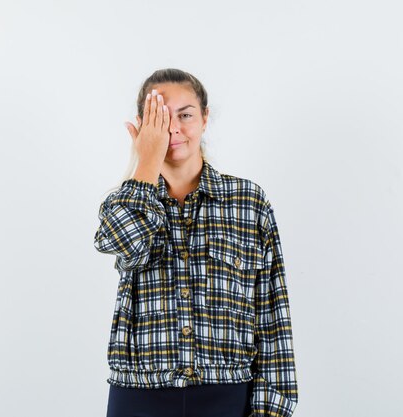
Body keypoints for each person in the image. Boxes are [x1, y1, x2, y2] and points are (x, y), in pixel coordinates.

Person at [93, 69, 298, 417]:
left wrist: (270, 410)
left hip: (228, 395)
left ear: (205, 118)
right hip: (139, 395)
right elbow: (122, 241)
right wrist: (146, 162)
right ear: (142, 128)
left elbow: (272, 317)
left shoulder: (248, 202)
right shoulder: (124, 203)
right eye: (159, 119)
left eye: (185, 115)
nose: (173, 129)